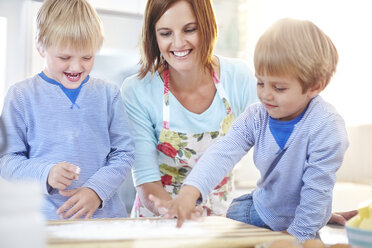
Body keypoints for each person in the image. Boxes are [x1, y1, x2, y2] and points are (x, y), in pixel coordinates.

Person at [149, 18, 351, 241]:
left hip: (301, 224)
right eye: (260, 82)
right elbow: (223, 152)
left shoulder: (326, 128)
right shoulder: (256, 116)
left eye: (279, 87)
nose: (265, 94)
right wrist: (189, 192)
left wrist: (299, 235)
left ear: (315, 86)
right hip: (257, 211)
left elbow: (317, 189)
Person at [121, 0, 258, 217]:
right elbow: (146, 180)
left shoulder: (238, 78)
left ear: (207, 25)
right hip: (160, 218)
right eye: (165, 33)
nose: (178, 43)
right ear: (153, 36)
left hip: (220, 220)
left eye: (190, 29)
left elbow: (275, 147)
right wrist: (176, 211)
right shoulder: (137, 90)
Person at [0, 0, 135, 220]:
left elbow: (124, 153)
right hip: (45, 223)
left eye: (87, 57)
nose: (76, 67)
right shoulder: (21, 96)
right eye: (64, 57)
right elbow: (7, 160)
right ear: (40, 46)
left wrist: (96, 191)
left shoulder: (109, 94)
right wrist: (46, 173)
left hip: (105, 222)